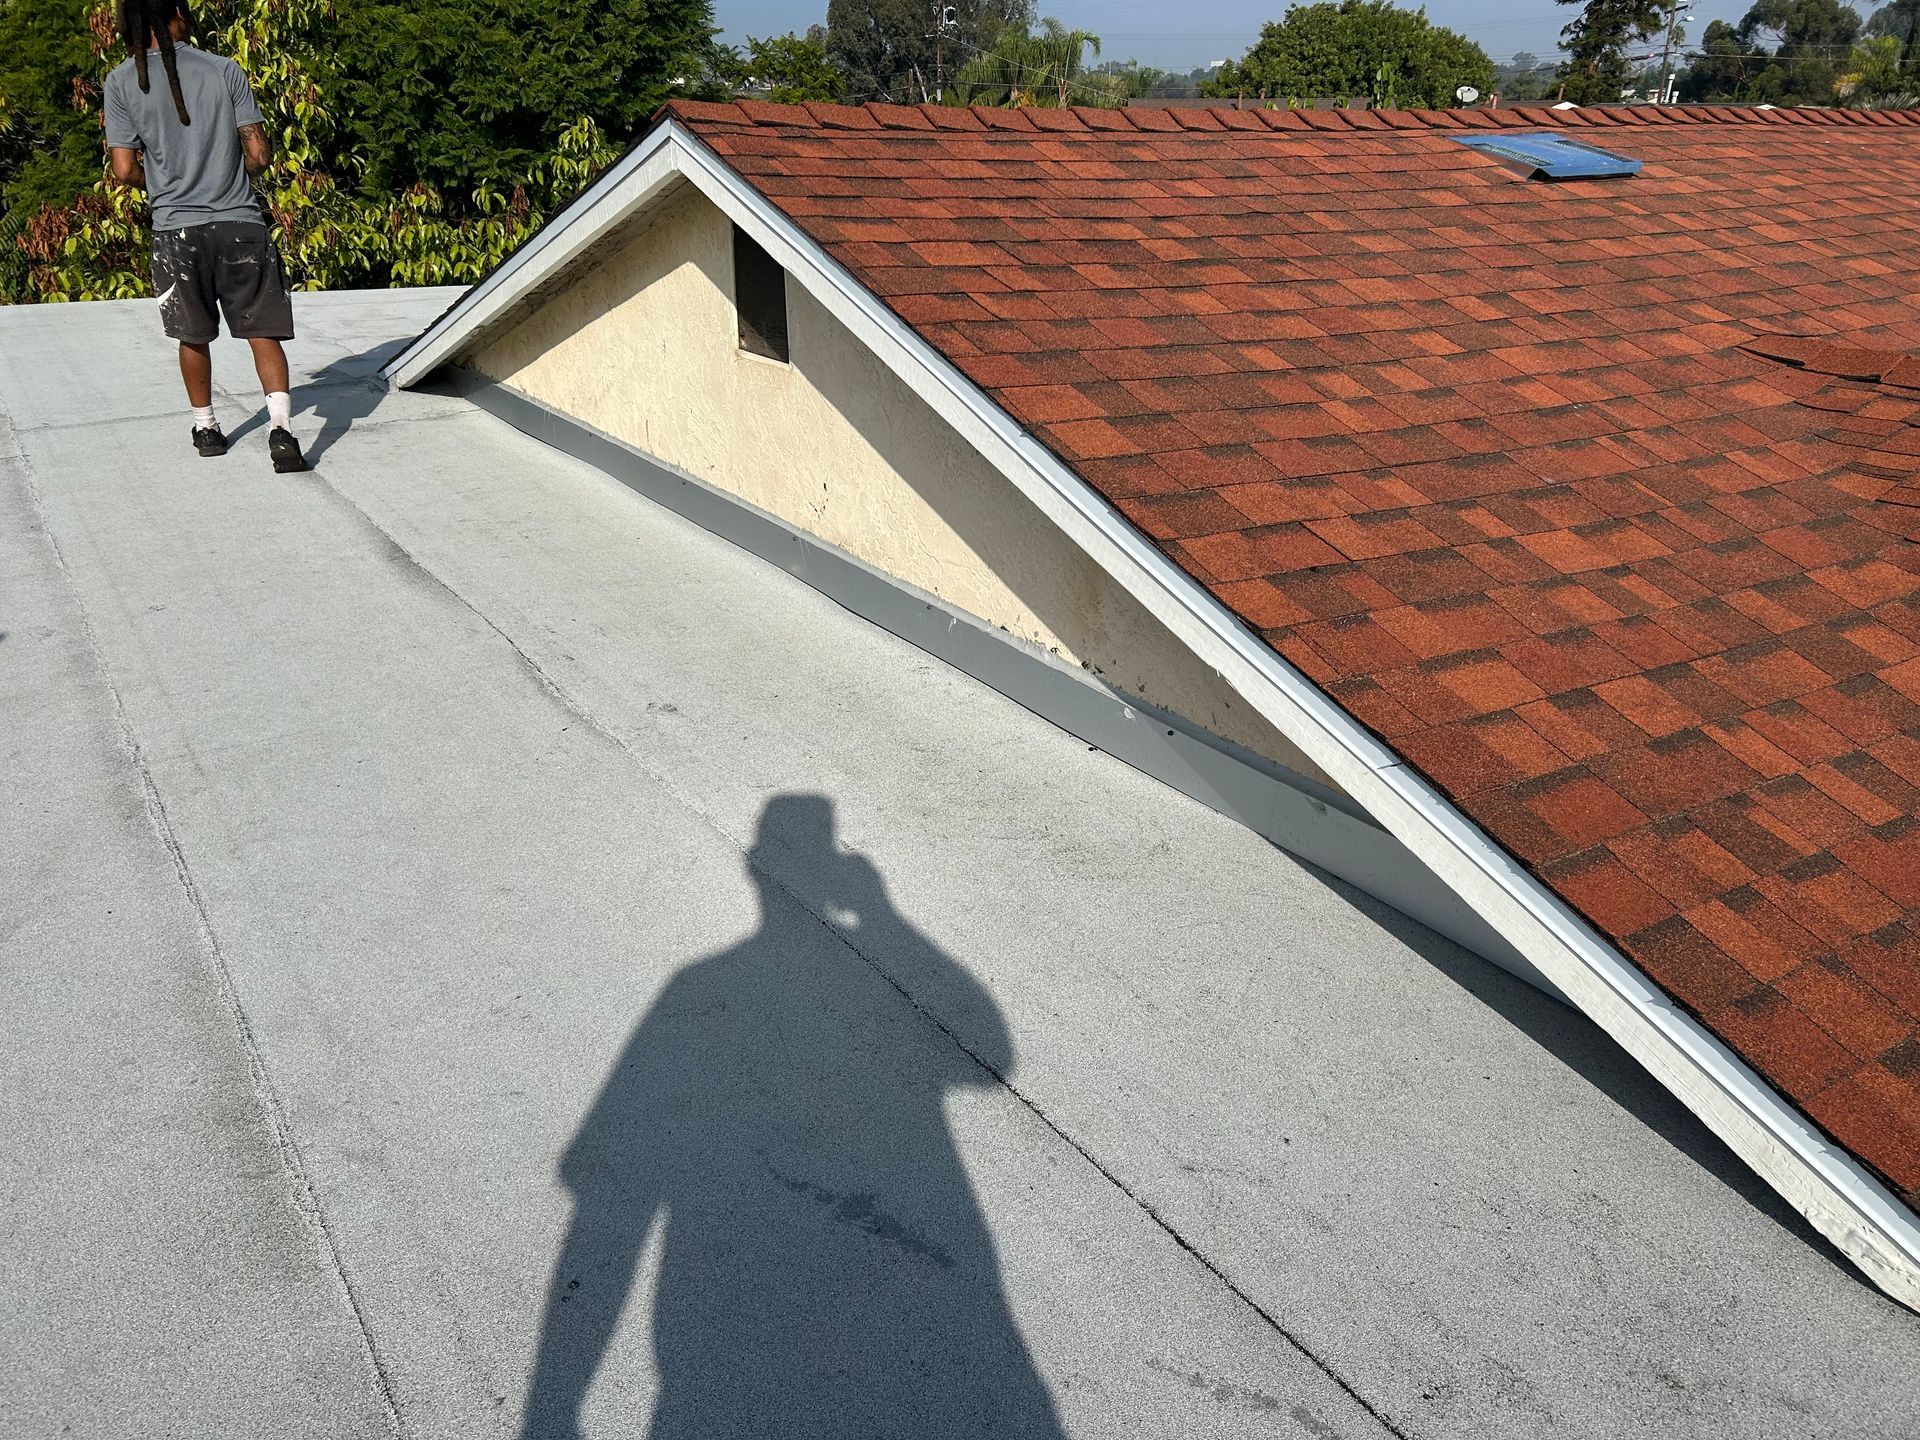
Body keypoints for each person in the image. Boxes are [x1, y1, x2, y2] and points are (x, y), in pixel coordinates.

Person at [103, 0, 306, 473]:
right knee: (262, 332)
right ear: (178, 12)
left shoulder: (120, 82)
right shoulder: (225, 69)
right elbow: (258, 151)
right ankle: (281, 431)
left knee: (192, 337)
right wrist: (238, 172)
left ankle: (208, 428)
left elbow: (123, 169)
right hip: (240, 224)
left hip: (175, 231)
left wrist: (168, 185)